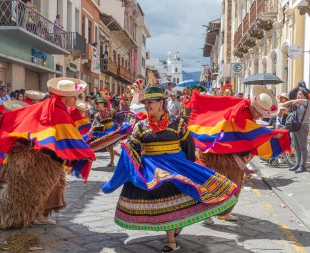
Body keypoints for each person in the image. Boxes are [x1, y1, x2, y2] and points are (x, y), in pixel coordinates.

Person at [102, 86, 239, 252]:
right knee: (164, 201)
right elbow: (134, 146)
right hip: (153, 169)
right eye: (145, 103)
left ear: (162, 103)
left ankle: (171, 237)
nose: (147, 106)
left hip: (176, 166)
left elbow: (188, 146)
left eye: (150, 102)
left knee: (178, 198)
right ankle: (171, 238)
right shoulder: (141, 126)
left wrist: (189, 169)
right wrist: (128, 149)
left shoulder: (178, 123)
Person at [0, 78, 95, 229]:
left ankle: (38, 214)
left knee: (48, 189)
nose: (76, 99)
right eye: (74, 96)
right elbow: (69, 137)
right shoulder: (57, 111)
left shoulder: (52, 105)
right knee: (26, 192)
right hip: (39, 159)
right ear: (64, 98)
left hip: (43, 158)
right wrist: (85, 152)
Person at [186, 85, 290, 223]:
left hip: (229, 155)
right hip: (216, 154)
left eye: (261, 114)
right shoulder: (242, 113)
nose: (259, 116)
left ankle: (225, 212)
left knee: (235, 185)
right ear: (253, 106)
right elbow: (248, 131)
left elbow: (246, 135)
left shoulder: (246, 112)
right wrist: (271, 134)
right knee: (213, 185)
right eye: (258, 112)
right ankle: (207, 214)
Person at [282, 87, 310, 173]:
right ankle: (297, 164)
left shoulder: (306, 102)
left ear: (305, 95)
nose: (298, 96)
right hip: (294, 127)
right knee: (296, 147)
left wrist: (290, 101)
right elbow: (285, 107)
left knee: (302, 148)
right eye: (298, 94)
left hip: (302, 127)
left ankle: (302, 165)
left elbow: (298, 101)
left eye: (300, 94)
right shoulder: (297, 104)